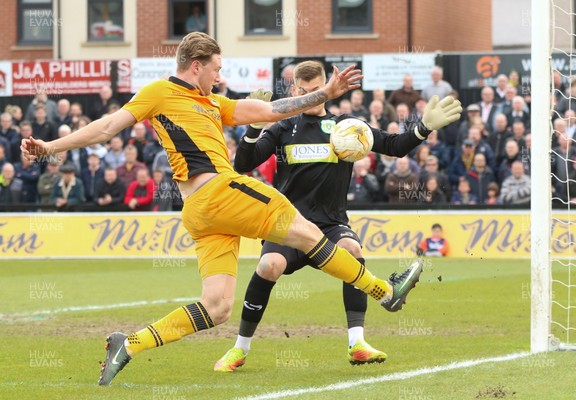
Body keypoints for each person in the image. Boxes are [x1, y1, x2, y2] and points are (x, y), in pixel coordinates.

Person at [20, 32, 460, 386]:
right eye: (216, 68)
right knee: (306, 231)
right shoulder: (159, 92)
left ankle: (129, 343)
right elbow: (106, 126)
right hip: (220, 190)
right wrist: (50, 147)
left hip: (199, 214)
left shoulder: (214, 104)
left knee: (216, 308)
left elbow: (270, 108)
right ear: (196, 65)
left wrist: (323, 93)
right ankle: (386, 293)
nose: (220, 75)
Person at [215, 60, 462, 371]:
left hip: (331, 225)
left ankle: (357, 343)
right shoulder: (282, 128)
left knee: (352, 250)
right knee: (269, 264)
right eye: (303, 91)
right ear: (294, 91)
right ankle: (240, 348)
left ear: (326, 89)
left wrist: (422, 128)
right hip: (289, 225)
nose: (311, 96)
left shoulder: (347, 127)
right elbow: (243, 163)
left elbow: (394, 146)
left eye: (316, 90)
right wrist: (252, 127)